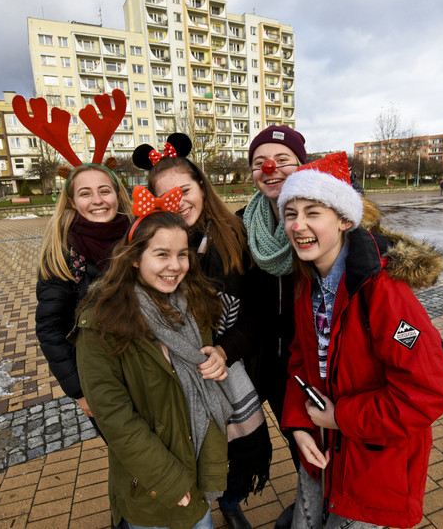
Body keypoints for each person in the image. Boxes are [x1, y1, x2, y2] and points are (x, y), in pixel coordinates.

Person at [277, 152, 443, 528]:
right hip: (322, 453)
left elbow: (428, 393)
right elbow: (300, 359)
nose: (298, 225)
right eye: (291, 214)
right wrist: (299, 424)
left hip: (374, 464)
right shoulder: (307, 280)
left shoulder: (385, 292)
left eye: (313, 212)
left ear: (343, 220)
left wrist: (340, 417)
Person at [74, 193, 260, 529]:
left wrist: (218, 359)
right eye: (161, 254)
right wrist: (170, 481)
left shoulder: (193, 304)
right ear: (134, 258)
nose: (175, 266)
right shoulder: (102, 323)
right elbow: (114, 416)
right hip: (153, 487)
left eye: (182, 255)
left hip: (199, 470)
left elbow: (201, 382)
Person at [135, 134, 271, 529]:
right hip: (177, 370)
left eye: (185, 189)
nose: (179, 200)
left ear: (201, 186)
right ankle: (198, 504)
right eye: (166, 195)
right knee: (189, 443)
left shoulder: (234, 235)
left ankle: (229, 501)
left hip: (231, 364)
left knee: (232, 445)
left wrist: (225, 351)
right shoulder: (153, 245)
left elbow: (256, 312)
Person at [239, 125, 307, 528]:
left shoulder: (324, 218)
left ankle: (320, 505)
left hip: (310, 364)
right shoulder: (240, 225)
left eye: (282, 159)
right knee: (278, 438)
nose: (270, 167)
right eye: (260, 162)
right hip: (261, 360)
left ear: (301, 164)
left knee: (316, 446)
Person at [35, 160, 132, 438]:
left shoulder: (140, 236)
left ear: (117, 194)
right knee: (133, 455)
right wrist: (79, 390)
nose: (98, 200)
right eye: (85, 193)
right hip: (103, 379)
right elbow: (50, 328)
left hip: (152, 369)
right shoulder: (64, 253)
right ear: (72, 201)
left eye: (105, 190)